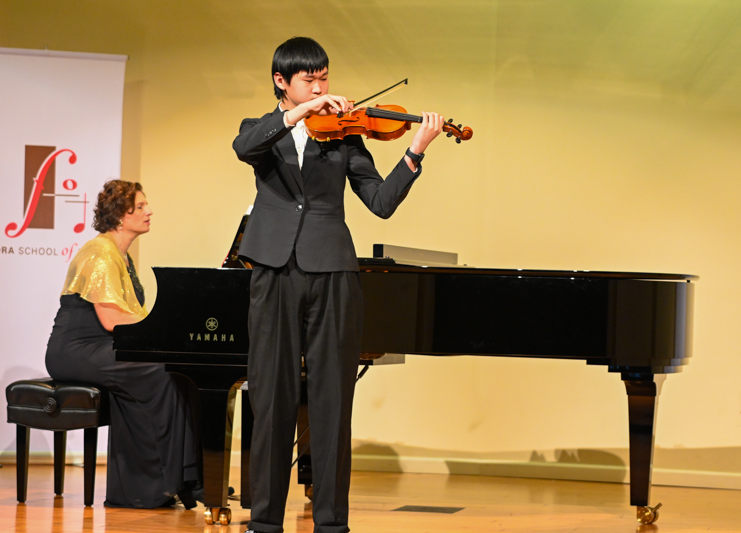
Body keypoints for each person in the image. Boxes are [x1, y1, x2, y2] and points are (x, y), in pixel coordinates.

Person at [232, 37, 443, 533]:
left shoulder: (345, 135)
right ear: (282, 81)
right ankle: (264, 522)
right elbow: (244, 148)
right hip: (273, 270)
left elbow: (381, 203)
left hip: (332, 271)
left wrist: (415, 151)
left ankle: (331, 523)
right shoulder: (259, 129)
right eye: (310, 80)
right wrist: (302, 113)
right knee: (271, 396)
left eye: (324, 78)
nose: (320, 88)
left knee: (332, 399)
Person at [45, 180, 200, 509]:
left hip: (102, 346)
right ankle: (173, 479)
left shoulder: (122, 256)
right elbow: (111, 319)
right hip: (76, 349)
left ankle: (176, 479)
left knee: (179, 371)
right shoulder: (101, 252)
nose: (149, 211)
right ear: (119, 215)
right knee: (159, 371)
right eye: (140, 206)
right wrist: (165, 329)